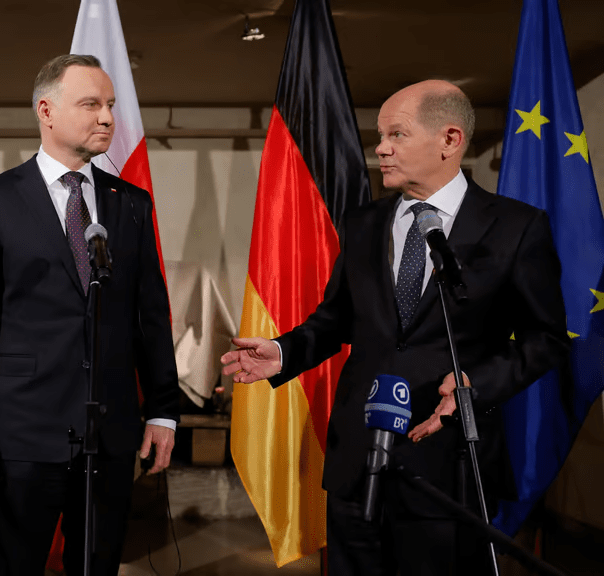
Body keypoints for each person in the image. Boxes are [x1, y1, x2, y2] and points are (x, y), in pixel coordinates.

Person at [221, 80, 569, 575]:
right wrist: (284, 352)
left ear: (449, 140)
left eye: (397, 135)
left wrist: (475, 386)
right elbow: (335, 319)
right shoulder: (363, 222)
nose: (380, 148)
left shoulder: (516, 227)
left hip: (448, 467)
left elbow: (545, 338)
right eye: (380, 136)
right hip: (357, 462)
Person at [0, 54, 180, 576]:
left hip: (111, 432)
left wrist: (163, 409)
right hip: (22, 431)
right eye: (91, 104)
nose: (107, 117)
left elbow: (151, 316)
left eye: (111, 105)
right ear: (46, 111)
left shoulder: (132, 204)